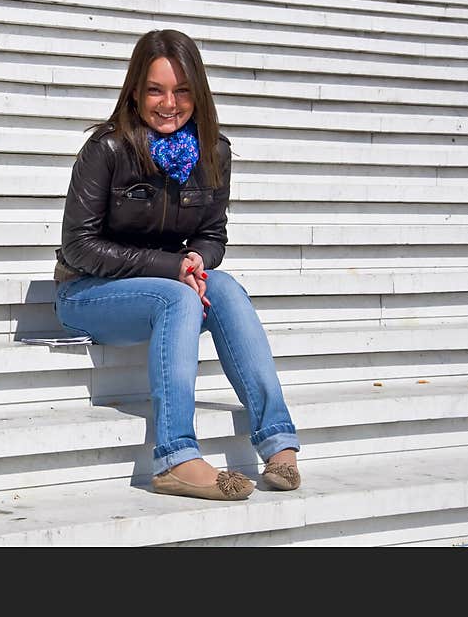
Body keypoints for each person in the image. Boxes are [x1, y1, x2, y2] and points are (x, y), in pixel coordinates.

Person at [53, 29, 301, 501]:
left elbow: (212, 235)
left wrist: (196, 259)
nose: (169, 103)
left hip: (165, 288)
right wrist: (172, 268)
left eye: (182, 91)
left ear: (198, 93)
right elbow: (79, 246)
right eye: (156, 90)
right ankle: (175, 457)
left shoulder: (213, 152)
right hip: (87, 292)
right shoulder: (105, 150)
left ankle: (278, 439)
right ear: (135, 91)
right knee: (177, 295)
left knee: (223, 286)